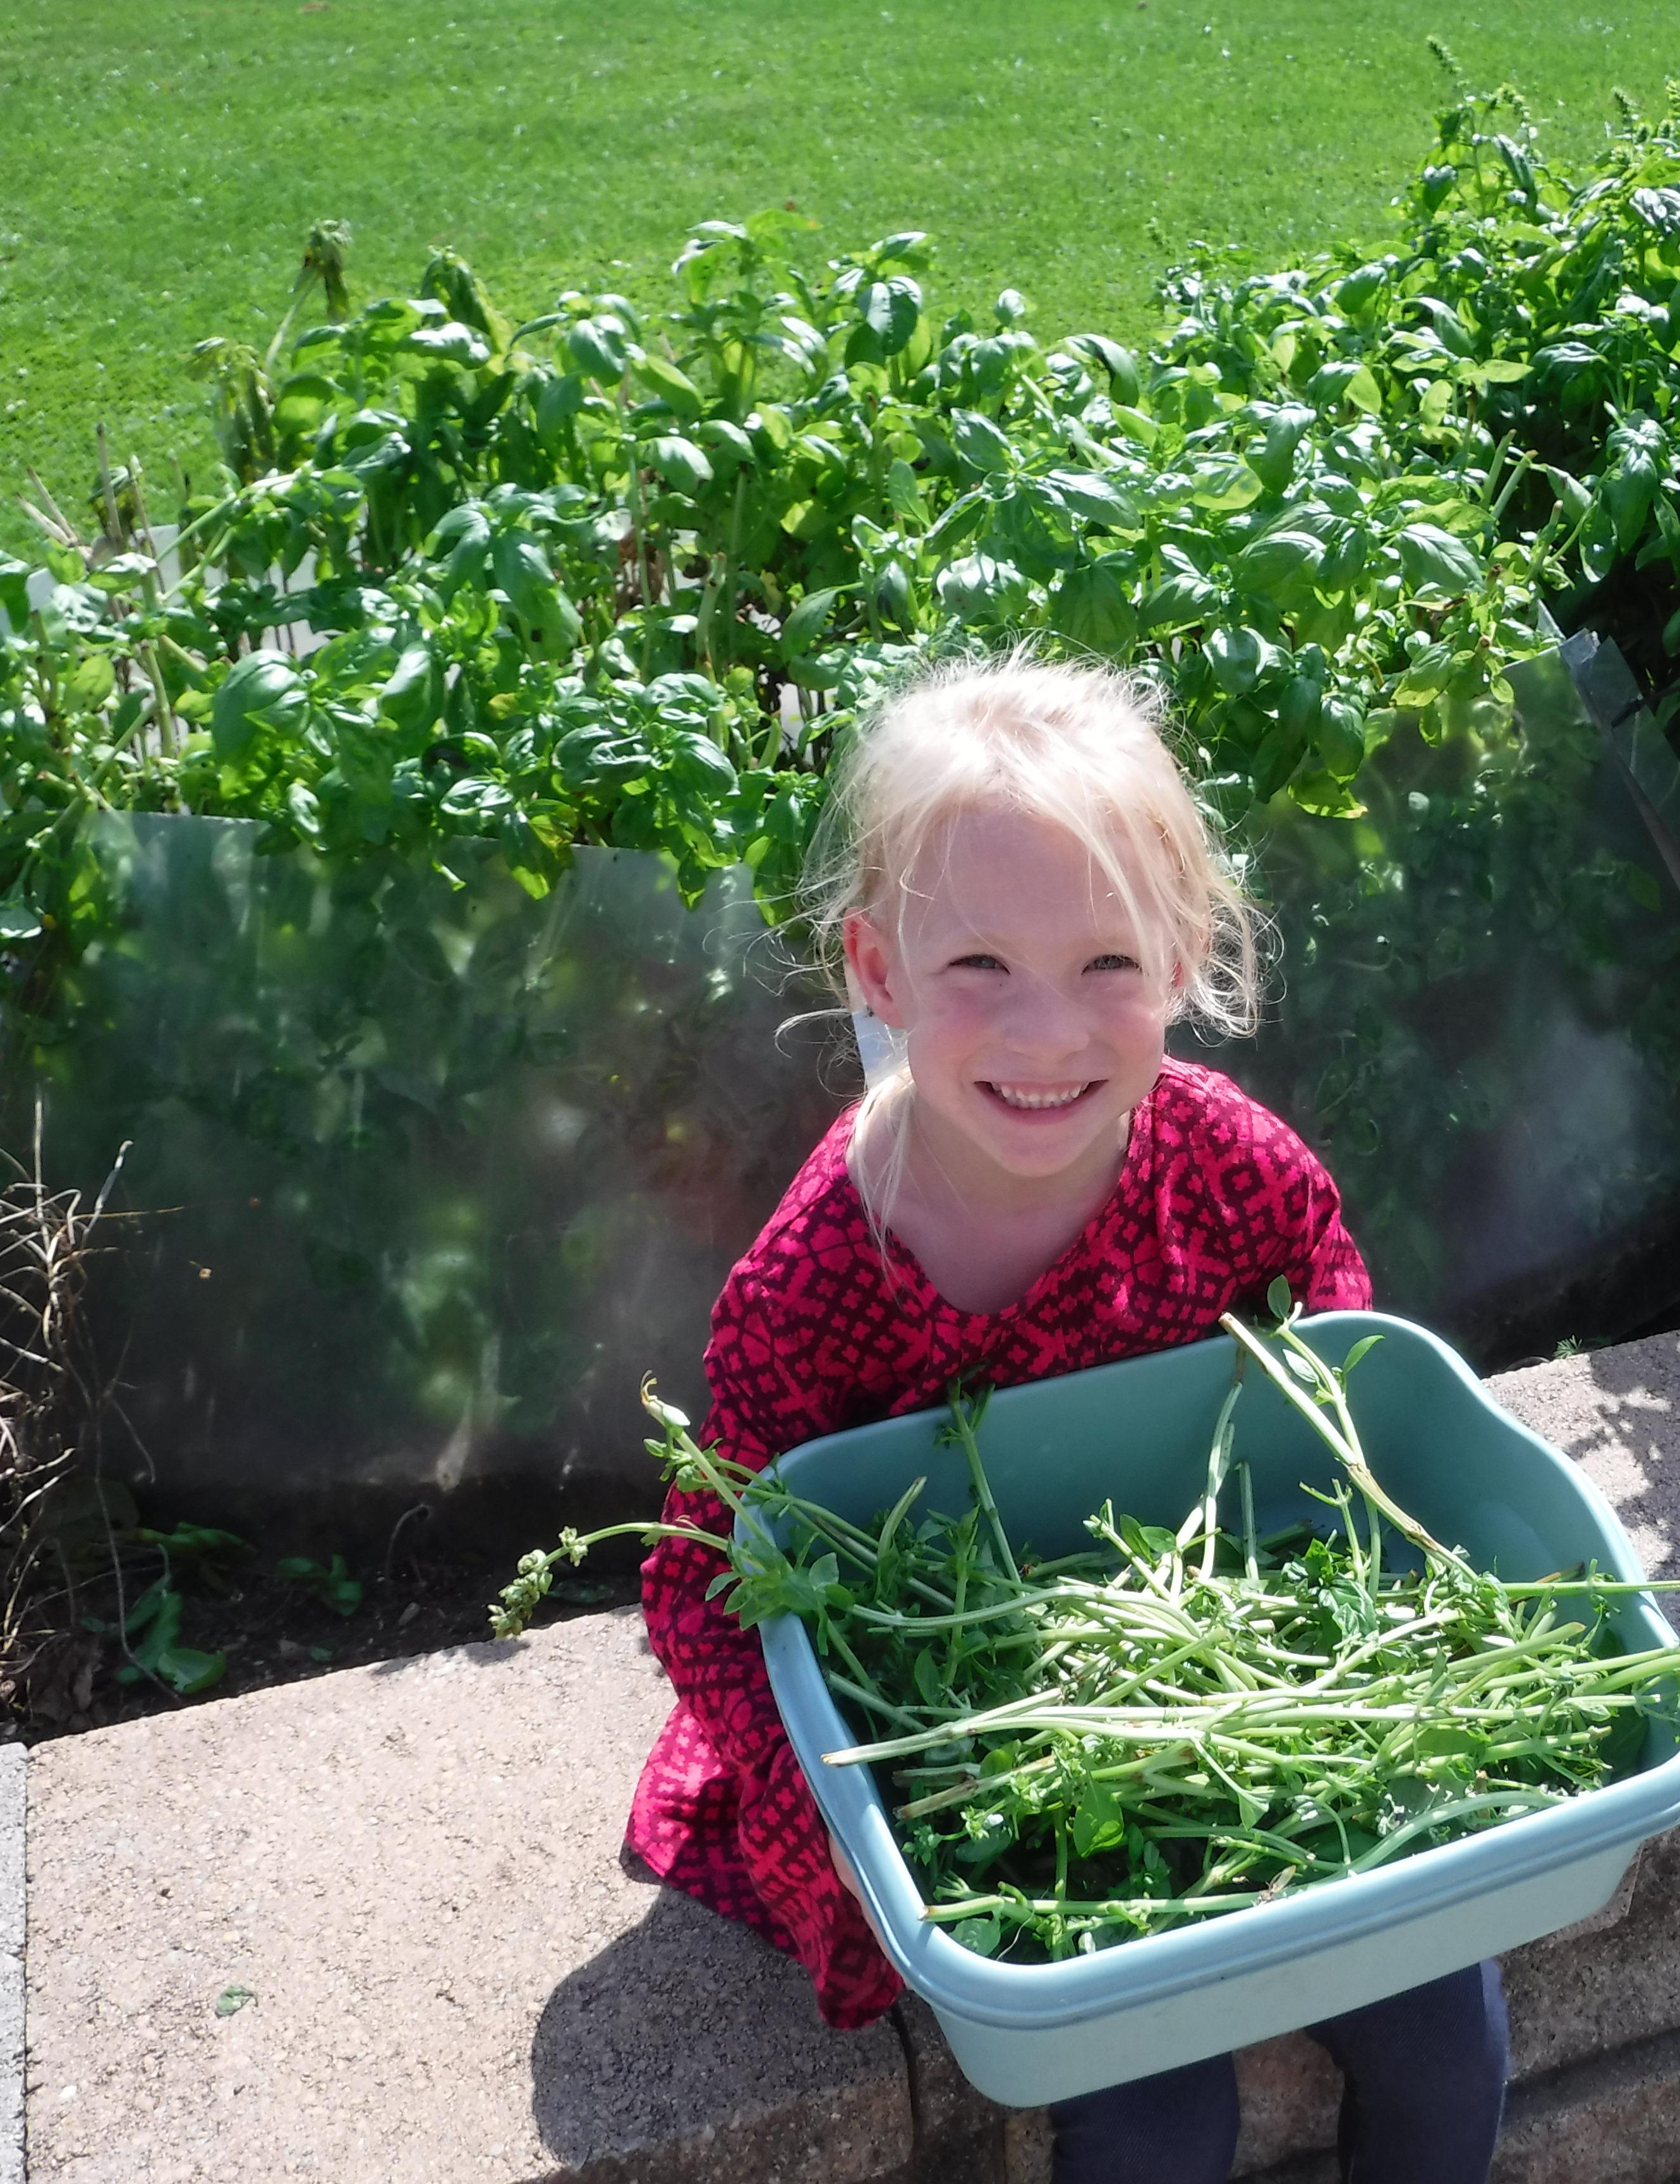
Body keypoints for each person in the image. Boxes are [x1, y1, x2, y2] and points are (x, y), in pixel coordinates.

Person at [623, 653, 1509, 2183]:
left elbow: (1343, 1412)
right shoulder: (811, 1281)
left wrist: (1378, 1646)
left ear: (1183, 961)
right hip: (993, 1757)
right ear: (878, 973)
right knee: (1155, 2120)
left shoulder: (1234, 1169)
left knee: (1448, 2036)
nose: (1047, 1036)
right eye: (978, 968)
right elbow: (727, 1578)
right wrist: (893, 1822)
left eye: (1109, 962)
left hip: (1258, 1686)